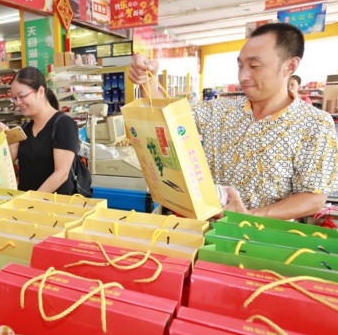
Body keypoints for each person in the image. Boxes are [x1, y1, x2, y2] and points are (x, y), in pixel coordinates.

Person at [129, 22, 338, 220]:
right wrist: (147, 79)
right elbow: (167, 120)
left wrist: (248, 216)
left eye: (254, 66)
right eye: (240, 65)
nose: (243, 76)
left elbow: (314, 198)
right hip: (205, 231)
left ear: (290, 65)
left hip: (263, 237)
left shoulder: (315, 124)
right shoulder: (219, 110)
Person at [0, 66, 78, 194]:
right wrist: (4, 138)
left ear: (40, 91)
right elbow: (5, 164)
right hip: (26, 202)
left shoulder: (64, 124)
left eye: (22, 96)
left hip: (54, 203)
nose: (18, 102)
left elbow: (61, 173)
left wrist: (33, 199)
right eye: (14, 98)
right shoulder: (24, 129)